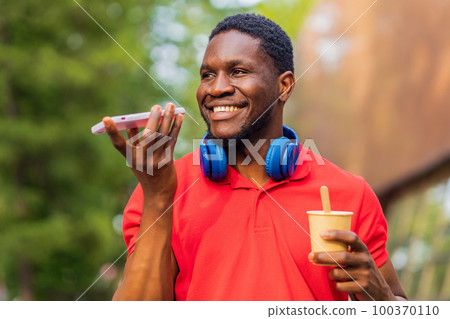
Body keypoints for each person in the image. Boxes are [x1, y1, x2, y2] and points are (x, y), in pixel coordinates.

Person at [102, 14, 407, 301]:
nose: (217, 88)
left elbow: (397, 303)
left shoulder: (350, 193)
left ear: (283, 86)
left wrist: (379, 296)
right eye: (208, 75)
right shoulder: (161, 187)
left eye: (238, 71)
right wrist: (158, 198)